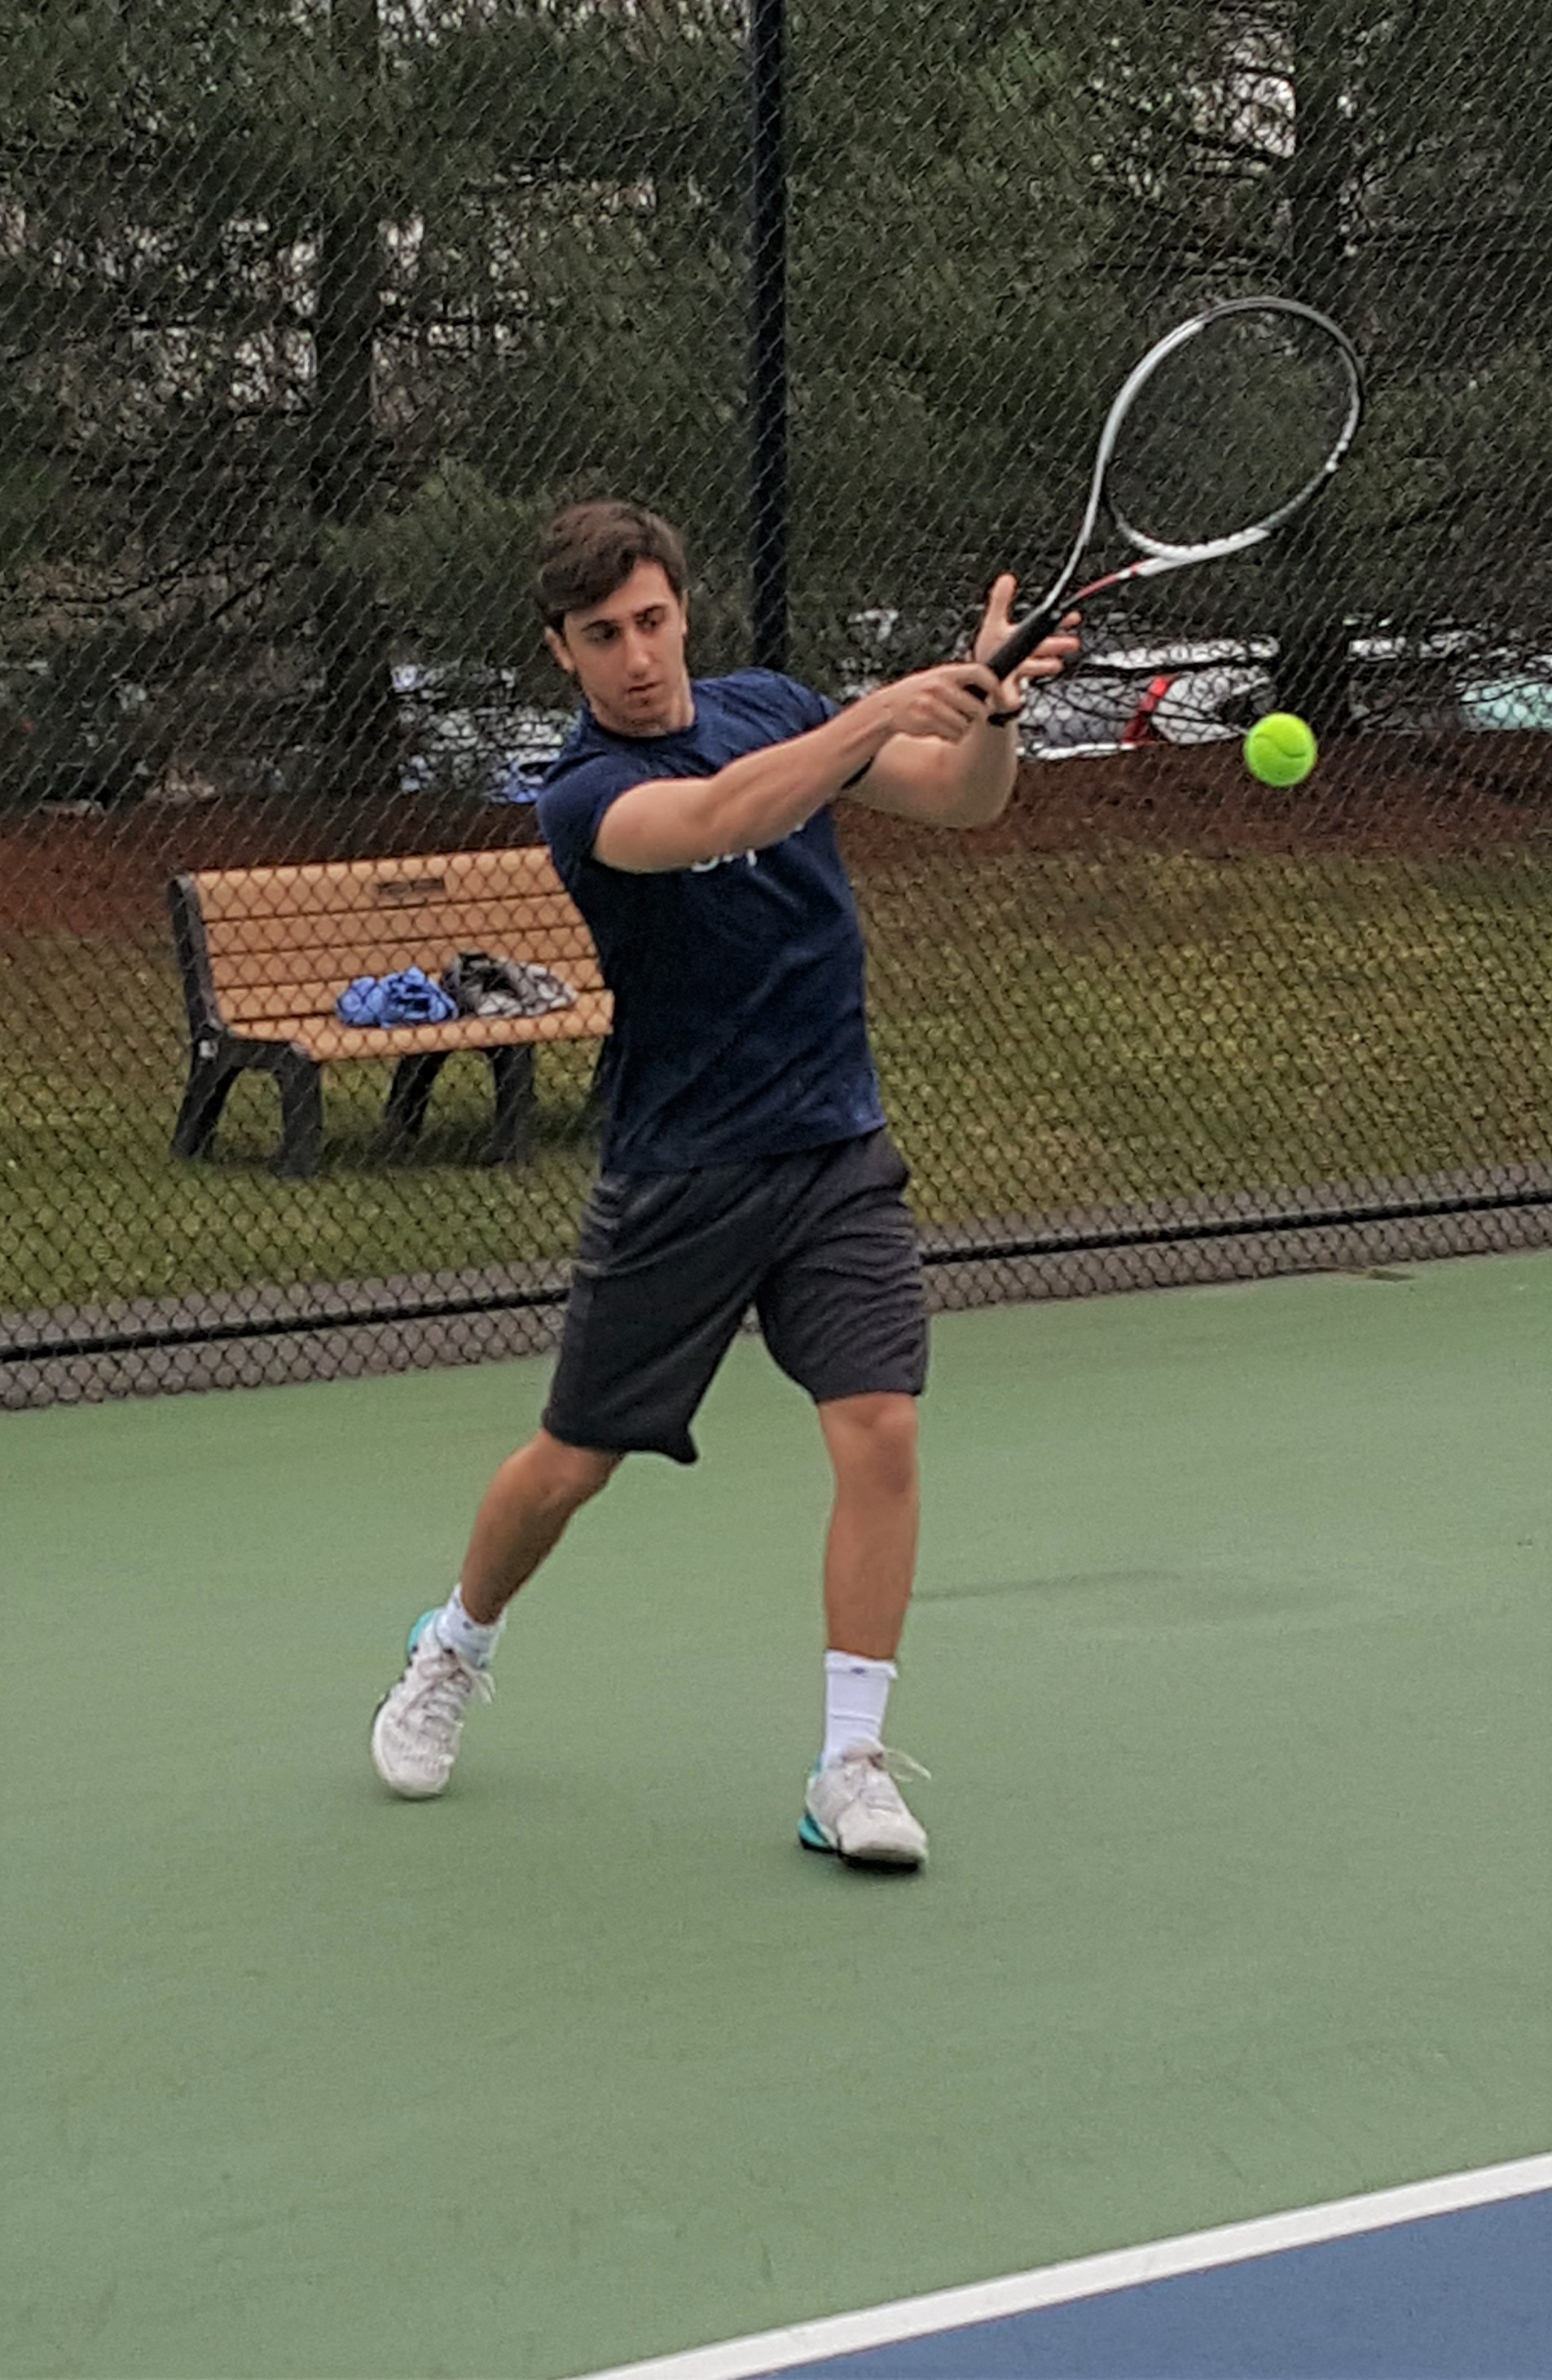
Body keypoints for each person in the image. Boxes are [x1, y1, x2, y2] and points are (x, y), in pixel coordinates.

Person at [371, 500, 1079, 1868]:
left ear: (682, 610)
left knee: (879, 1428)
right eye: (601, 635)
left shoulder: (770, 706)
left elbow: (957, 798)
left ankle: (848, 1765)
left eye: (650, 620)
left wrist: (987, 711)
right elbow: (713, 819)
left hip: (833, 1149)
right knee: (571, 1461)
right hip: (681, 1174)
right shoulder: (582, 795)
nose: (636, 655)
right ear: (561, 650)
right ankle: (455, 1640)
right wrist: (876, 711)